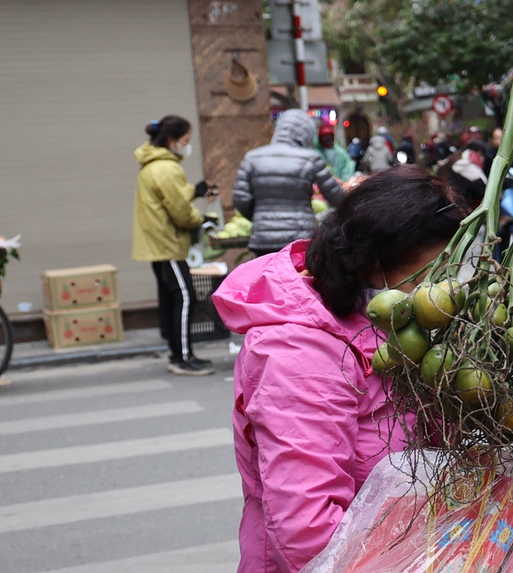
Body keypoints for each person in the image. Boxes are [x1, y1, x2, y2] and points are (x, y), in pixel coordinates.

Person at [211, 167, 466, 573]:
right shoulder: (297, 352)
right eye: (431, 272)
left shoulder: (392, 322)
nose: (443, 288)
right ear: (375, 263)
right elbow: (306, 526)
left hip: (398, 572)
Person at [132, 115, 214, 376]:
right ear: (172, 141)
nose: (187, 145)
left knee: (170, 299)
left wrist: (194, 191)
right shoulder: (167, 168)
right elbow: (180, 211)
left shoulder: (153, 164)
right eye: (186, 140)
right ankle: (183, 357)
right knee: (185, 296)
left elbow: (172, 197)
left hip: (157, 244)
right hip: (167, 244)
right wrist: (201, 219)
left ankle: (176, 352)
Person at [234, 109, 347, 256]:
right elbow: (337, 197)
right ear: (306, 133)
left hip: (263, 240)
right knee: (297, 278)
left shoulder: (252, 158)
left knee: (268, 277)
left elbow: (240, 198)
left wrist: (261, 217)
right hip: (300, 239)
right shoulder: (310, 158)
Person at [317, 113, 356, 181]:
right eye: (325, 138)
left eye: (329, 138)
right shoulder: (317, 153)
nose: (327, 141)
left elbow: (348, 168)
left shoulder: (340, 152)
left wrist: (343, 181)